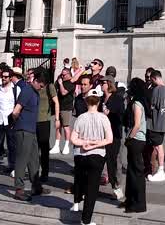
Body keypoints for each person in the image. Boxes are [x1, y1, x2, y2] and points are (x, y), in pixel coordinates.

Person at [70, 86, 115, 225]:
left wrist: (85, 143)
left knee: (81, 180)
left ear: (86, 101)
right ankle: (86, 220)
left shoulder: (81, 118)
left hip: (81, 155)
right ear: (99, 101)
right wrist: (95, 144)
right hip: (97, 155)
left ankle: (77, 203)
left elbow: (73, 138)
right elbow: (109, 139)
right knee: (92, 188)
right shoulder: (104, 118)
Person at [10, 66, 45, 200]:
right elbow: (16, 111)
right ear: (35, 81)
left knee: (34, 159)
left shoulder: (34, 91)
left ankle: (36, 186)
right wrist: (17, 123)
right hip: (24, 130)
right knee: (22, 160)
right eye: (41, 85)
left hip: (31, 130)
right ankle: (19, 189)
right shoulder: (27, 91)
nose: (41, 88)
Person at [122, 78, 149, 214]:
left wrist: (128, 138)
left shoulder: (137, 104)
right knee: (133, 171)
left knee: (136, 172)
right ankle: (131, 200)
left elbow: (137, 124)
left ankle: (138, 203)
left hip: (136, 140)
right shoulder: (137, 102)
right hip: (138, 140)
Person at [33, 68, 59, 183]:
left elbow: (56, 102)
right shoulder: (34, 85)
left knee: (44, 148)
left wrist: (57, 119)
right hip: (33, 120)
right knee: (33, 148)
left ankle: (44, 173)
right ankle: (34, 172)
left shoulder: (50, 87)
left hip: (44, 121)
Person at [146, 69, 165, 182]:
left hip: (157, 124)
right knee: (157, 146)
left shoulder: (161, 90)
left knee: (158, 146)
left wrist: (157, 124)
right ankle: (160, 170)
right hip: (156, 124)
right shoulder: (159, 89)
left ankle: (161, 170)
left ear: (155, 78)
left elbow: (162, 108)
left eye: (152, 80)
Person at [56, 67, 76, 155]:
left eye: (64, 75)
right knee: (58, 126)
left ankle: (66, 145)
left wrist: (60, 84)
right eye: (61, 74)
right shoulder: (62, 81)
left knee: (66, 127)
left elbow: (64, 92)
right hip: (59, 107)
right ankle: (57, 145)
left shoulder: (70, 83)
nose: (62, 76)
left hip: (66, 108)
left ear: (69, 75)